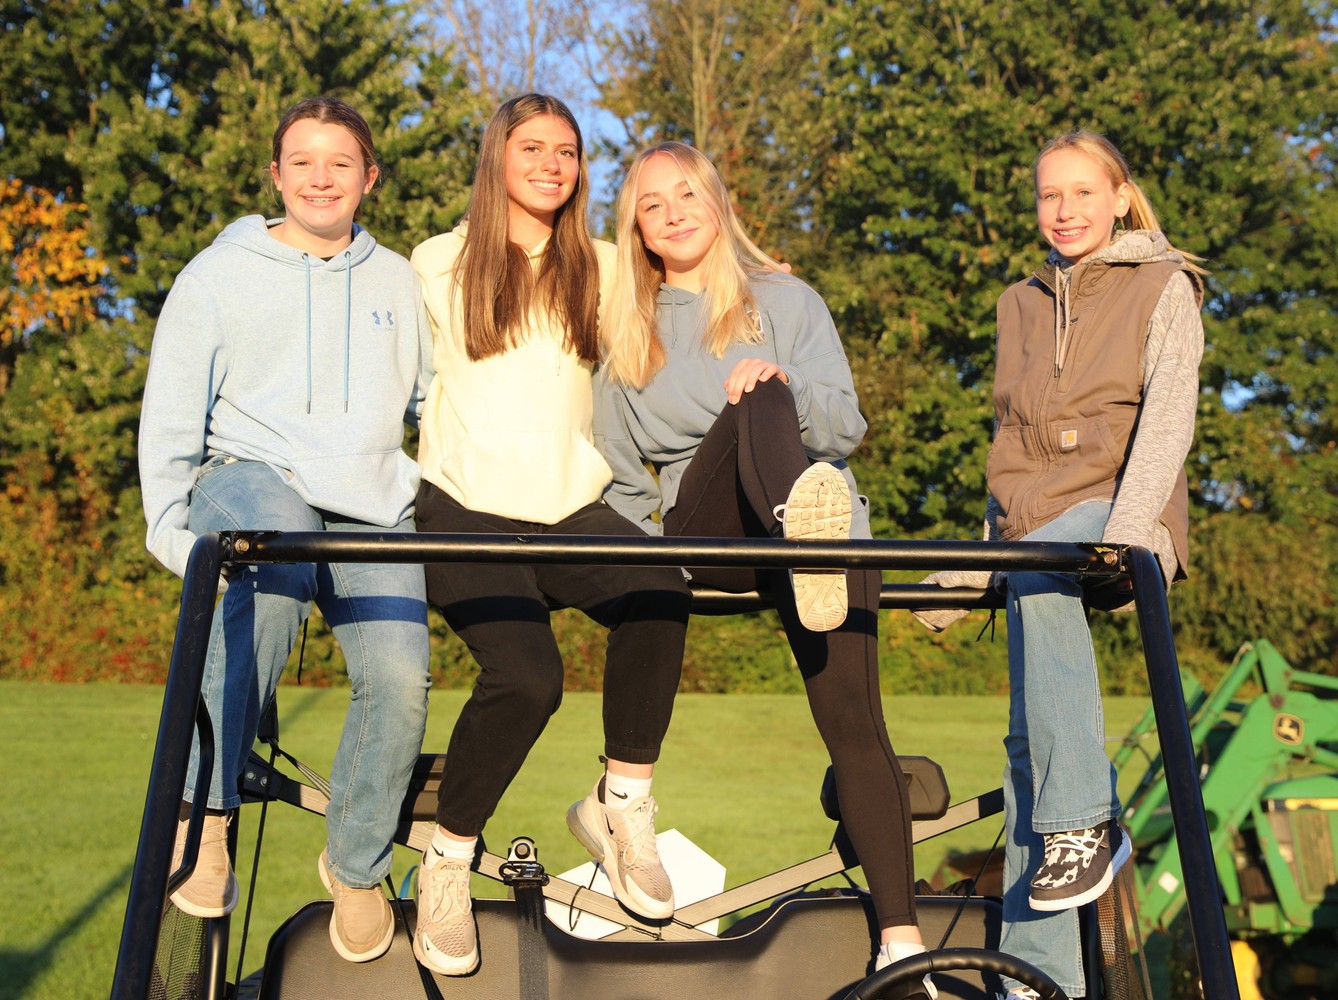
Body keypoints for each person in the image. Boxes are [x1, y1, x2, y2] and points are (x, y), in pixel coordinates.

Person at [597, 140, 934, 991]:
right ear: (635, 227)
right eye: (651, 204)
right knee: (753, 396)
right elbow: (612, 466)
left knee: (858, 729)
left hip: (819, 525)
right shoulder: (627, 326)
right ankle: (800, 537)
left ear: (716, 199)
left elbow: (845, 424)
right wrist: (649, 569)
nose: (674, 212)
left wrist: (780, 379)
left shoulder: (784, 296)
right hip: (712, 533)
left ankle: (904, 949)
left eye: (686, 193)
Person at [138, 96, 434, 965]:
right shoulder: (215, 277)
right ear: (276, 174)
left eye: (339, 163)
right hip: (249, 480)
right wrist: (173, 541)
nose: (320, 177)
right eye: (302, 161)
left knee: (402, 675)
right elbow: (168, 421)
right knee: (267, 573)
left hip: (370, 500)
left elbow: (433, 404)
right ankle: (209, 815)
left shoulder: (396, 283)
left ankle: (355, 863)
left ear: (368, 178)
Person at [913, 129, 1205, 1000]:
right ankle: (1042, 983)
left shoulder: (1165, 285)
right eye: (1049, 196)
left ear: (1119, 196)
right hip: (1036, 534)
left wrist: (1121, 531)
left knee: (1043, 565)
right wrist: (968, 576)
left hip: (1121, 508)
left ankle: (1085, 823)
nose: (1064, 210)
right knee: (1024, 746)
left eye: (1081, 193)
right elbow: (1013, 457)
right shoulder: (1019, 303)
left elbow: (1165, 423)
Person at [408, 94, 692, 977]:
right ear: (498, 157)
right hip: (462, 508)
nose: (551, 165)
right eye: (533, 148)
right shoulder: (435, 261)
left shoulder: (602, 266)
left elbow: (688, 286)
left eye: (567, 152)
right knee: (529, 678)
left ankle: (621, 803)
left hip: (569, 507)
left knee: (660, 590)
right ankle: (446, 860)